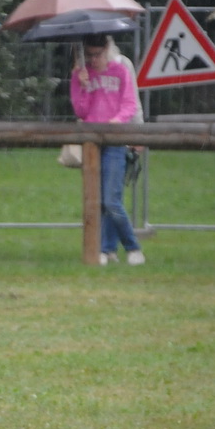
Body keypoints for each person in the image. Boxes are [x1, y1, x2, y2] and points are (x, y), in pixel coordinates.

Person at [70, 34, 144, 265]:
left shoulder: (121, 71)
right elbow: (81, 111)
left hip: (115, 141)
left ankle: (133, 247)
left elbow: (130, 104)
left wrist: (117, 121)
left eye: (98, 54)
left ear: (107, 51)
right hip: (92, 143)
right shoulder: (80, 75)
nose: (93, 60)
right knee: (98, 200)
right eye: (89, 55)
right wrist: (82, 86)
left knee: (112, 200)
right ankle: (106, 249)